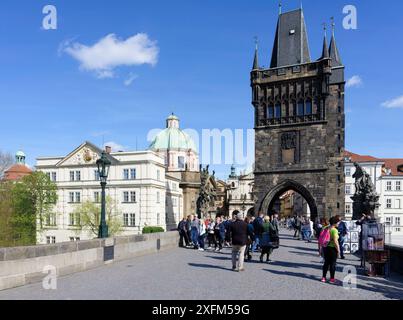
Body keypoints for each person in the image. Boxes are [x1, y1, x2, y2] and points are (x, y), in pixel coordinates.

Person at [321, 216, 341, 284]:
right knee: (332, 264)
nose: (338, 224)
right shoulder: (334, 230)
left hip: (325, 247)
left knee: (326, 263)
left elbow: (321, 238)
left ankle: (323, 277)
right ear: (335, 223)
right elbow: (335, 241)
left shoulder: (325, 228)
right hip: (332, 248)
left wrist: (320, 249)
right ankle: (332, 278)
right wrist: (338, 250)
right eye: (338, 222)